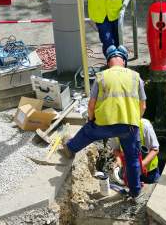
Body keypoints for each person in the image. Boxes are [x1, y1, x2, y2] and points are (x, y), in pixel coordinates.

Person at [61, 44, 147, 200]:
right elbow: (143, 105)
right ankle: (135, 193)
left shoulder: (101, 77)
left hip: (104, 124)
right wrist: (135, 119)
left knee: (87, 132)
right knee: (132, 158)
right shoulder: (136, 77)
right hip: (129, 126)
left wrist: (91, 119)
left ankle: (70, 148)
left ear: (108, 62)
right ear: (124, 61)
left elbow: (91, 104)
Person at [79, 0, 159, 56]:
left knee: (118, 43)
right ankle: (112, 62)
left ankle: (119, 62)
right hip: (100, 15)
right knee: (108, 44)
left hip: (115, 13)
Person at [110, 118, 160, 184]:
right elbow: (116, 149)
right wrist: (118, 161)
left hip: (149, 173)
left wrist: (141, 165)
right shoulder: (115, 129)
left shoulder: (144, 125)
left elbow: (155, 149)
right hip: (129, 172)